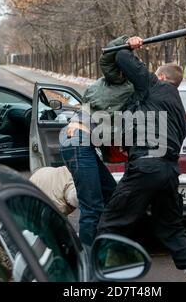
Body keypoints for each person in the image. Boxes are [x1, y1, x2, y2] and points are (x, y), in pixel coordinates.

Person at [97, 36, 186, 282]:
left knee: (111, 223)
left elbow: (121, 57)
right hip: (169, 172)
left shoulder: (153, 86)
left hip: (146, 167)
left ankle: (100, 277)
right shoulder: (178, 108)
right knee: (171, 227)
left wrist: (131, 44)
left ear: (160, 77)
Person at [60, 36, 135, 247]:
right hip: (77, 142)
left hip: (81, 143)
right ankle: (88, 259)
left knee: (111, 193)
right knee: (91, 206)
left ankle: (105, 245)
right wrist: (126, 40)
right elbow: (107, 57)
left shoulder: (116, 85)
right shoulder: (117, 81)